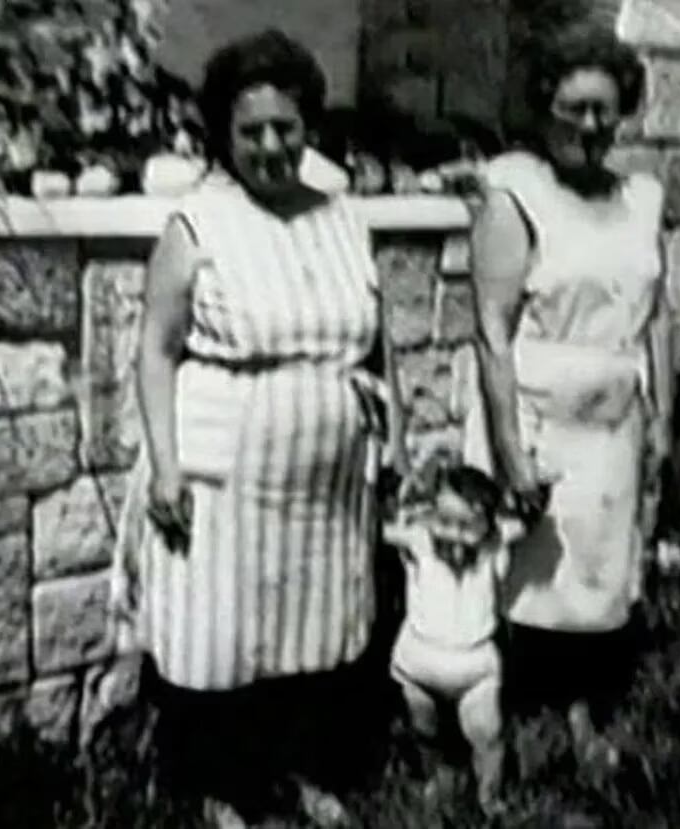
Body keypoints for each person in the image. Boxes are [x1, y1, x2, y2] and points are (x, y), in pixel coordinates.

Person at [110, 28, 407, 828]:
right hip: (226, 471)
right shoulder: (198, 223)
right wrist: (166, 467)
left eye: (286, 127)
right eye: (251, 131)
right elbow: (155, 350)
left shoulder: (343, 216)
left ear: (308, 125)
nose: (272, 146)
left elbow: (379, 343)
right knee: (222, 636)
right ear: (223, 135)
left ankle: (303, 772)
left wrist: (395, 442)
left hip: (327, 479)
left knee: (313, 630)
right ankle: (218, 788)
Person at [455, 23, 675, 769]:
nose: (590, 126)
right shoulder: (514, 190)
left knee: (597, 574)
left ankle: (581, 712)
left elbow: (659, 314)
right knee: (525, 573)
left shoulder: (642, 197)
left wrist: (663, 419)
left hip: (615, 415)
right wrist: (511, 450)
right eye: (573, 108)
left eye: (604, 110)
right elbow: (491, 330)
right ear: (543, 106)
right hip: (538, 411)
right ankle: (503, 713)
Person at [383, 451, 525, 816]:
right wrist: (405, 493)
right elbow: (381, 527)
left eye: (467, 526)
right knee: (425, 729)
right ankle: (437, 777)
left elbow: (524, 520)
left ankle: (489, 797)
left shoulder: (494, 547)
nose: (454, 535)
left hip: (475, 667)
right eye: (443, 521)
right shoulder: (419, 542)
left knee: (488, 736)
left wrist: (525, 487)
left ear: (487, 526)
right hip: (419, 664)